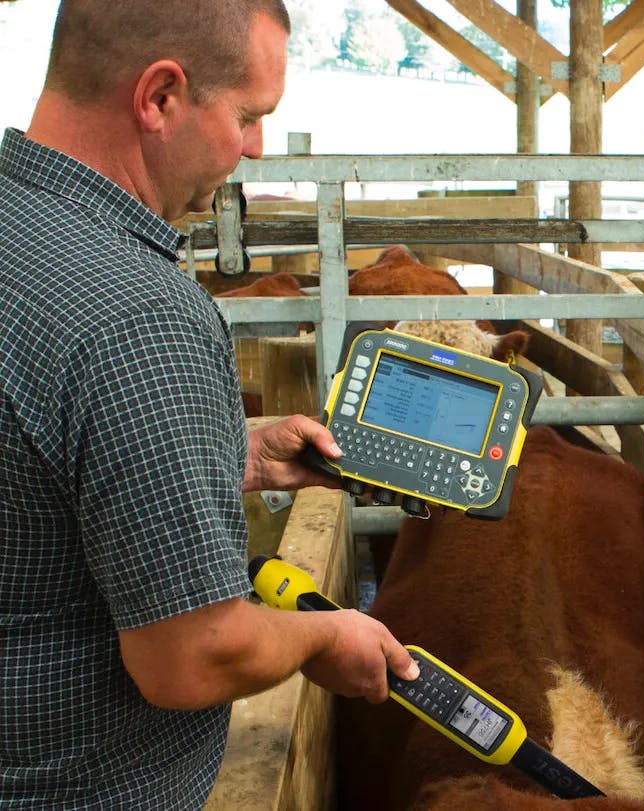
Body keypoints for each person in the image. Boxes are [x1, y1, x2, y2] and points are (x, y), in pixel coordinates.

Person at [0, 1, 419, 807]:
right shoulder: (140, 315)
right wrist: (324, 633)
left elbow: (37, 476)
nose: (255, 147)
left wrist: (234, 452)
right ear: (160, 97)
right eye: (249, 116)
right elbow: (193, 654)